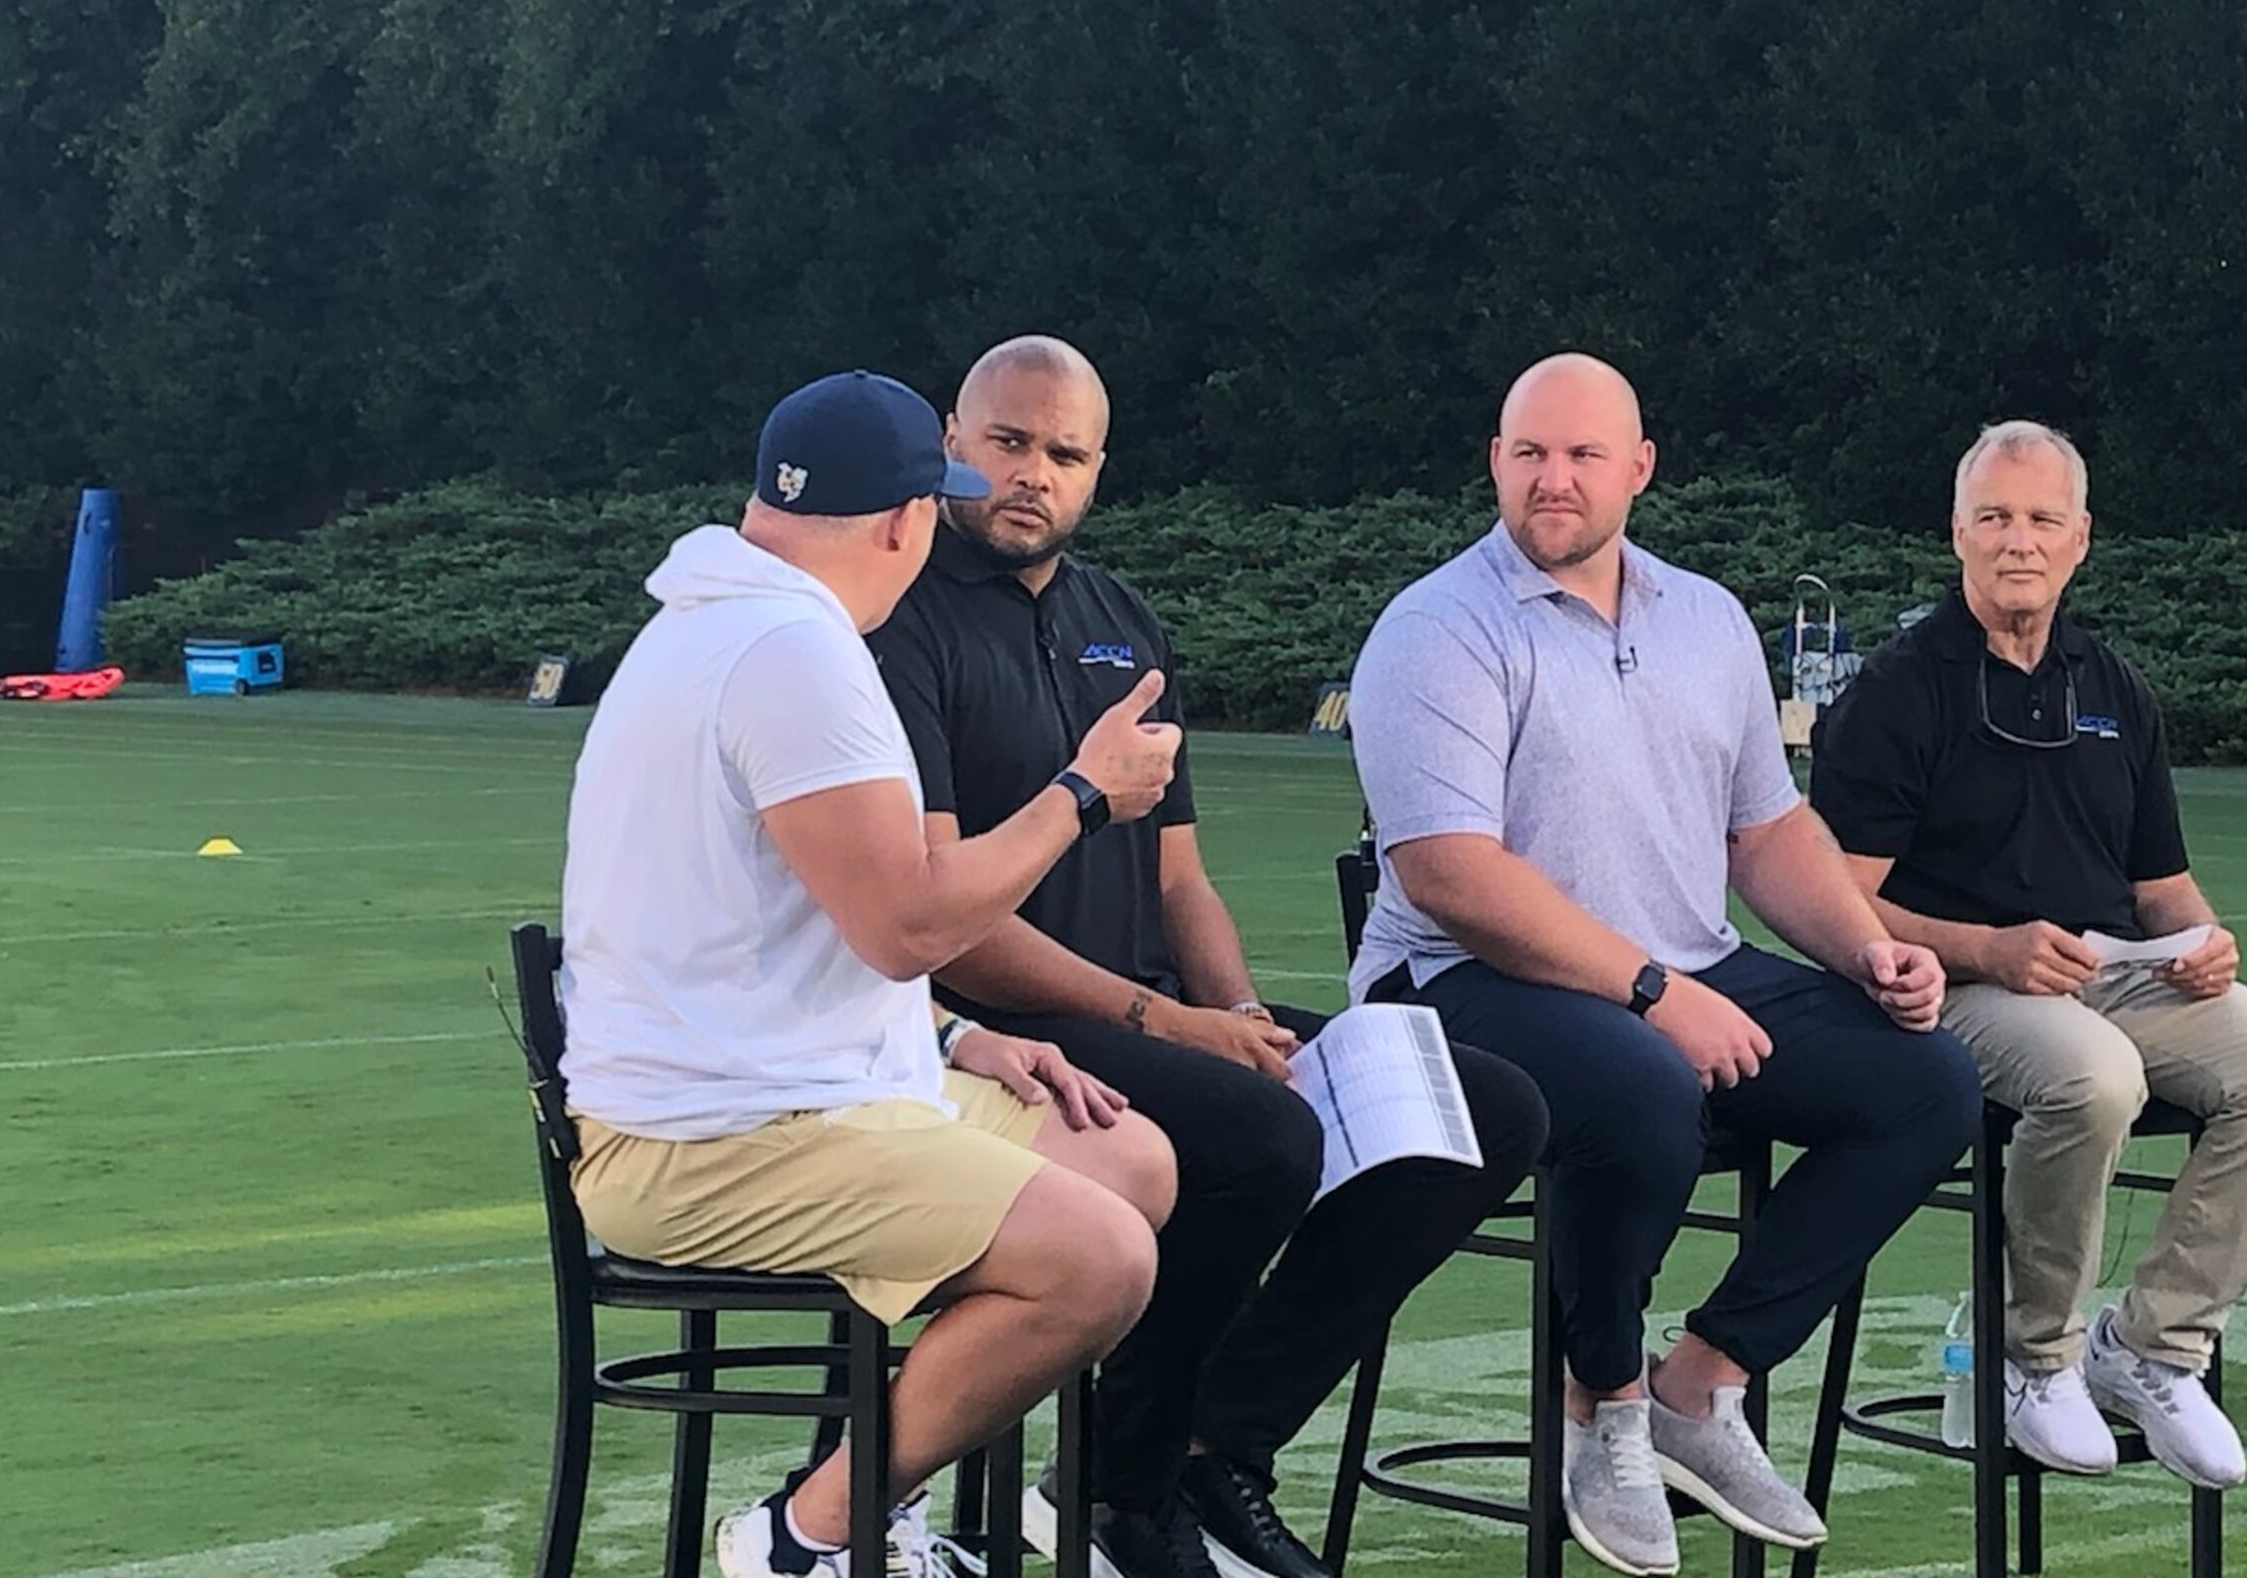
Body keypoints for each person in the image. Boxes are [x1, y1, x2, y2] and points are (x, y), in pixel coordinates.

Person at [868, 336, 1547, 1578]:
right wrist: (1172, 1027)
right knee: (1259, 1139)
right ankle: (1114, 1500)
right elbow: (945, 919)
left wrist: (1237, 1011)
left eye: (1064, 455)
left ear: (1098, 469)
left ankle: (1210, 1448)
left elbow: (1180, 874)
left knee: (1483, 1110)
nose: (1032, 476)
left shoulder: (1120, 615)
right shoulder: (902, 619)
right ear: (953, 440)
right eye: (1008, 443)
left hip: (1158, 1010)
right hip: (998, 1028)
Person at [1348, 353, 1979, 1578]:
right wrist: (1652, 991)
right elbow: (1449, 877)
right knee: (1639, 1085)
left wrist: (1868, 945)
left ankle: (1702, 1383)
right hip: (1459, 984)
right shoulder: (1438, 627)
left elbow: (1768, 830)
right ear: (1494, 462)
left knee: (1928, 1084)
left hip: (1686, 969)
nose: (1554, 479)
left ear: (1639, 468)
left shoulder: (1705, 618)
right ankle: (1606, 1407)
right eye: (1529, 452)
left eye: (1584, 455)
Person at [558, 371, 1188, 1578]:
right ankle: (810, 1541)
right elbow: (906, 927)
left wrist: (950, 1041)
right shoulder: (796, 650)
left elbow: (782, 930)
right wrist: (1083, 795)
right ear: (906, 520)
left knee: (1130, 1159)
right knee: (1098, 1259)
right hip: (714, 1139)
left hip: (764, 1094)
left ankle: (861, 1501)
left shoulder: (719, 617)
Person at [1806, 419, 2247, 1490]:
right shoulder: (1901, 690)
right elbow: (1838, 902)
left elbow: (2158, 883)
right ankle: (2032, 1355)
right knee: (2093, 1079)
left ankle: (2153, 1348)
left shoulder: (2113, 685)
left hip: (2110, 971)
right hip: (1943, 983)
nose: (2019, 542)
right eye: (1995, 518)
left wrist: (2204, 940)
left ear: (2080, 538)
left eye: (2042, 520)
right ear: (1956, 532)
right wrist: (1986, 949)